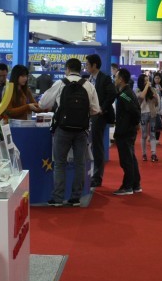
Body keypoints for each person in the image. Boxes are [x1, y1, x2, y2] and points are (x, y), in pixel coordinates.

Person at [39, 58, 100, 207]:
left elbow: (43, 103)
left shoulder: (60, 83)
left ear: (67, 69)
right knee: (80, 163)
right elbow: (96, 109)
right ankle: (75, 198)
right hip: (81, 130)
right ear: (80, 69)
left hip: (63, 128)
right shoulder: (89, 85)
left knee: (60, 164)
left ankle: (58, 198)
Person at [85, 54, 118, 188]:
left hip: (99, 116)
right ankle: (89, 173)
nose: (86, 67)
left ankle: (97, 176)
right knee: (90, 144)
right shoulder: (89, 79)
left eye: (87, 64)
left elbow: (112, 94)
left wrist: (101, 109)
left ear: (94, 65)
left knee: (97, 145)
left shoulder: (104, 78)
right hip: (88, 116)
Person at [113, 68, 141, 195]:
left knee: (126, 160)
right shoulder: (126, 92)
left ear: (121, 79)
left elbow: (135, 111)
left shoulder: (125, 94)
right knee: (131, 158)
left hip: (125, 131)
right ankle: (135, 184)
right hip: (127, 130)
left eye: (116, 77)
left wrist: (132, 124)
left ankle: (127, 186)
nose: (115, 79)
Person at [136, 73, 160, 162]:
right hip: (143, 114)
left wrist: (155, 97)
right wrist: (147, 87)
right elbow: (141, 97)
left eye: (148, 80)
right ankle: (144, 154)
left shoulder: (152, 89)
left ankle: (153, 154)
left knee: (153, 134)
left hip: (152, 114)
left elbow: (156, 103)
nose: (147, 82)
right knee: (144, 135)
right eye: (145, 80)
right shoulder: (138, 90)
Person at [151, 72, 162, 141]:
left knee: (158, 123)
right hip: (153, 106)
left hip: (160, 107)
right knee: (152, 123)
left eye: (158, 78)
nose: (157, 80)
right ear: (153, 79)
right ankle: (152, 137)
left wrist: (161, 91)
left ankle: (157, 139)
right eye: (156, 78)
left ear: (161, 79)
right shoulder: (151, 87)